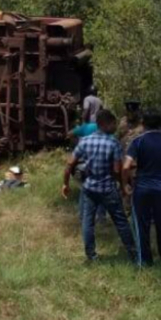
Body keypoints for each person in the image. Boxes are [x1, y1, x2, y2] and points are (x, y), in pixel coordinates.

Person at [62, 110, 138, 263]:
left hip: (89, 187)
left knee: (87, 222)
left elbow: (70, 163)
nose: (115, 127)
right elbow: (117, 170)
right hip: (108, 188)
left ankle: (91, 256)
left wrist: (65, 183)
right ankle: (134, 254)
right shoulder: (113, 143)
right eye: (113, 124)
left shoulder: (84, 141)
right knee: (121, 222)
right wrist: (123, 186)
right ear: (105, 124)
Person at [123, 110, 161, 266]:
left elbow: (126, 166)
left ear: (143, 123)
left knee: (142, 226)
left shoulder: (137, 141)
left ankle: (145, 261)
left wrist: (125, 185)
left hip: (142, 189)